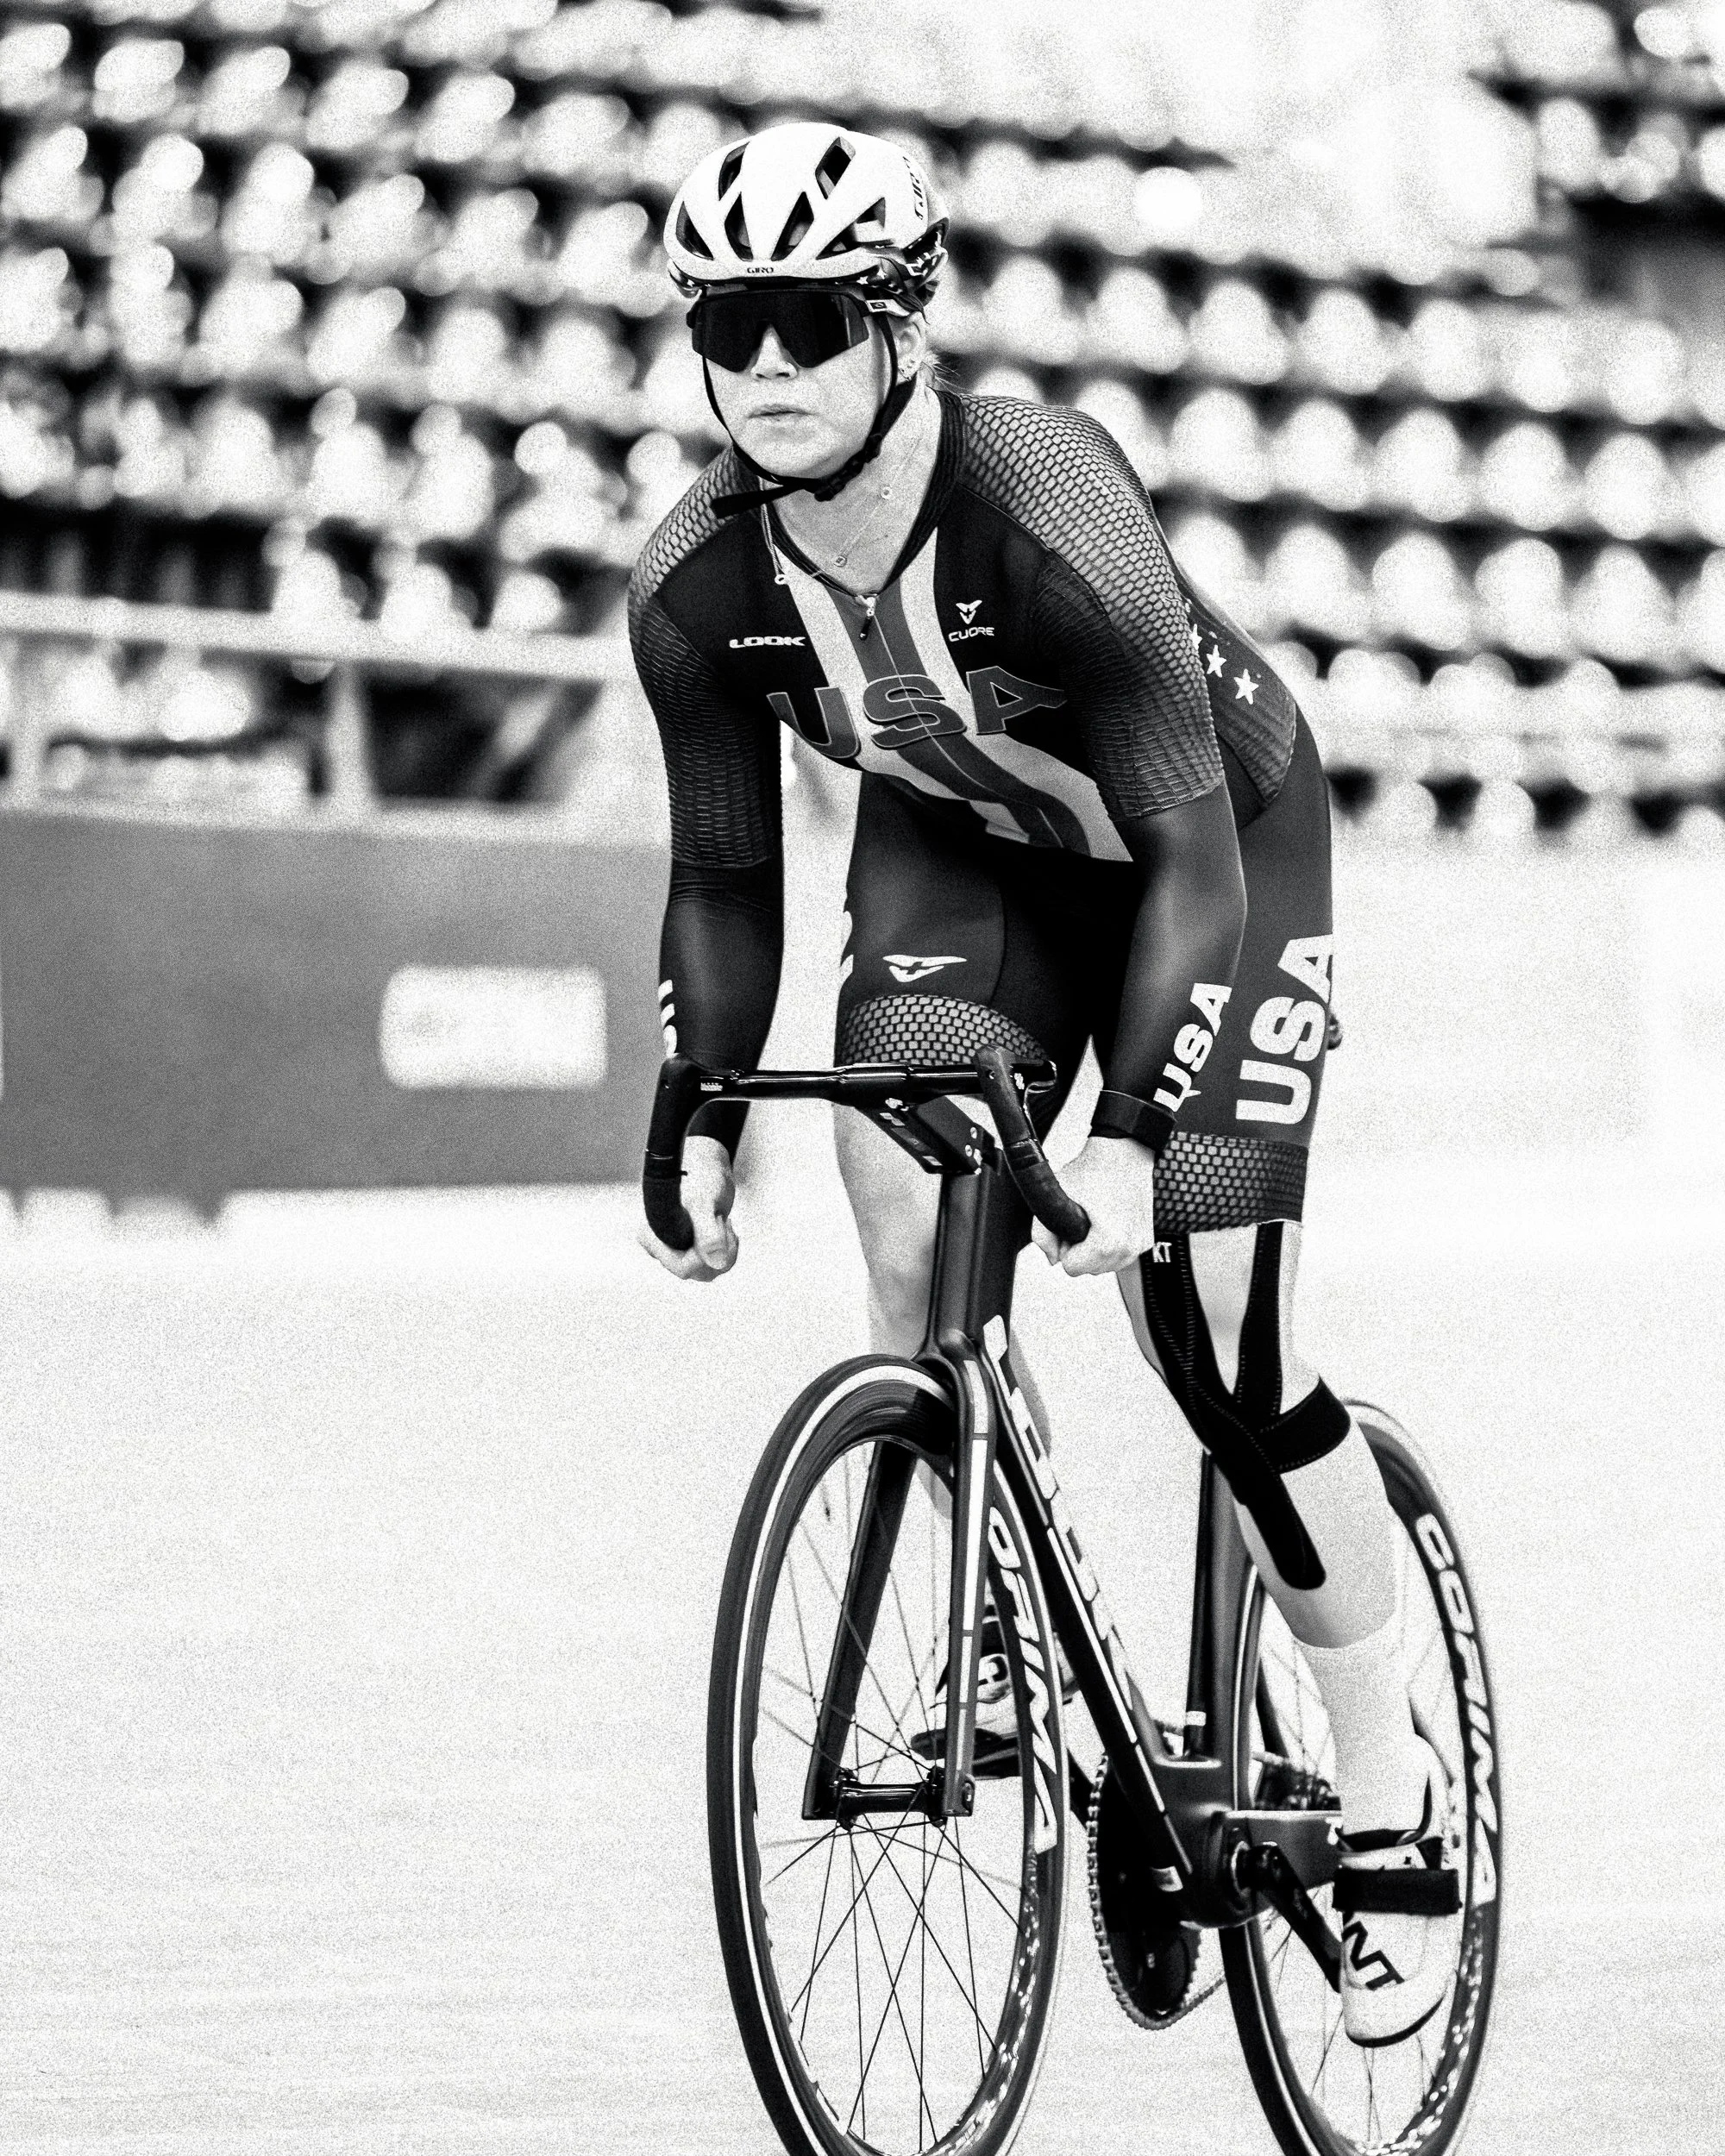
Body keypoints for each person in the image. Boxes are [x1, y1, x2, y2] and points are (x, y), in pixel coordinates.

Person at [630, 121, 1458, 2047]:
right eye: (725, 325)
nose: (764, 364)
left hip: (1216, 849)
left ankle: (1391, 1793)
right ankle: (980, 1562)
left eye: (808, 320)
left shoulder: (1043, 498)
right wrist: (697, 1115)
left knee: (1209, 1327)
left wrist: (1145, 1120)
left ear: (898, 326)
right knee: (909, 1207)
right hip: (971, 859)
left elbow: (1191, 857)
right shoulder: (694, 579)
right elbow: (724, 877)